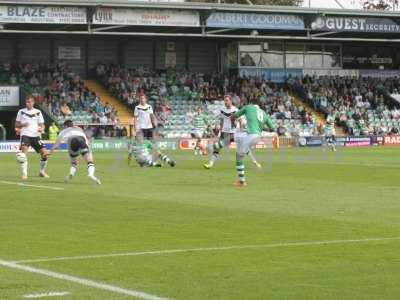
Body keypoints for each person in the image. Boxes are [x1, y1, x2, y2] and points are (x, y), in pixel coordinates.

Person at [204, 95, 261, 169]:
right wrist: (220, 130)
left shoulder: (235, 110)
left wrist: (240, 130)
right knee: (217, 148)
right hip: (224, 132)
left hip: (233, 133)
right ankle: (210, 164)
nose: (225, 102)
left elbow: (240, 121)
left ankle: (255, 162)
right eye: (225, 101)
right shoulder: (222, 110)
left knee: (245, 147)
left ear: (231, 101)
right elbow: (222, 120)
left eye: (227, 100)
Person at [232, 98, 275, 187]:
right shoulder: (264, 113)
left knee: (238, 157)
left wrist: (231, 118)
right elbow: (272, 129)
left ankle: (242, 181)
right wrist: (260, 127)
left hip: (250, 135)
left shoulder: (249, 107)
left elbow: (236, 115)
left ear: (251, 103)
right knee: (241, 152)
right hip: (257, 136)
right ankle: (242, 179)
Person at [50, 120, 101, 185]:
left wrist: (50, 152)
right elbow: (86, 140)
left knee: (74, 163)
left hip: (72, 142)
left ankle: (71, 174)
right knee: (89, 161)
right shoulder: (79, 129)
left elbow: (56, 145)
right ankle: (91, 174)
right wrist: (88, 150)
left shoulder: (63, 131)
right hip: (81, 140)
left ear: (65, 126)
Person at [15, 95, 49, 180]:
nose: (28, 104)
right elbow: (16, 124)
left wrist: (42, 129)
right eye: (27, 102)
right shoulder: (21, 111)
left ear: (33, 102)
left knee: (44, 154)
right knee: (23, 154)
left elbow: (42, 124)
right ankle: (24, 174)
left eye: (30, 102)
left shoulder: (38, 112)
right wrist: (23, 124)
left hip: (36, 136)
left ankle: (42, 171)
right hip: (25, 135)